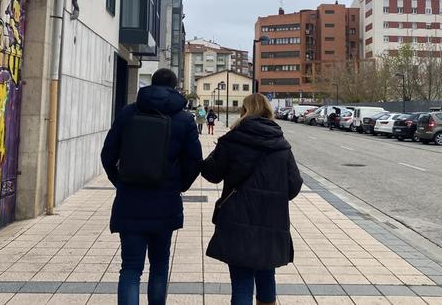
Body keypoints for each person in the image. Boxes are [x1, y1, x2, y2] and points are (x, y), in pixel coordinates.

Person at [101, 68, 203, 305]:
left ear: (150, 84)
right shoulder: (184, 119)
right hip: (165, 202)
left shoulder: (127, 113)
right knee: (159, 266)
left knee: (130, 268)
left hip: (130, 201)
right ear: (175, 87)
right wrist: (179, 185)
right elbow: (194, 161)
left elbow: (107, 154)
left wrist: (120, 181)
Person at [201, 93, 302, 305]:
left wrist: (212, 156)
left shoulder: (233, 140)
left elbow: (211, 174)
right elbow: (294, 185)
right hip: (272, 219)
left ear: (244, 111)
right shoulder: (281, 145)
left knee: (241, 279)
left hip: (237, 216)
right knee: (266, 274)